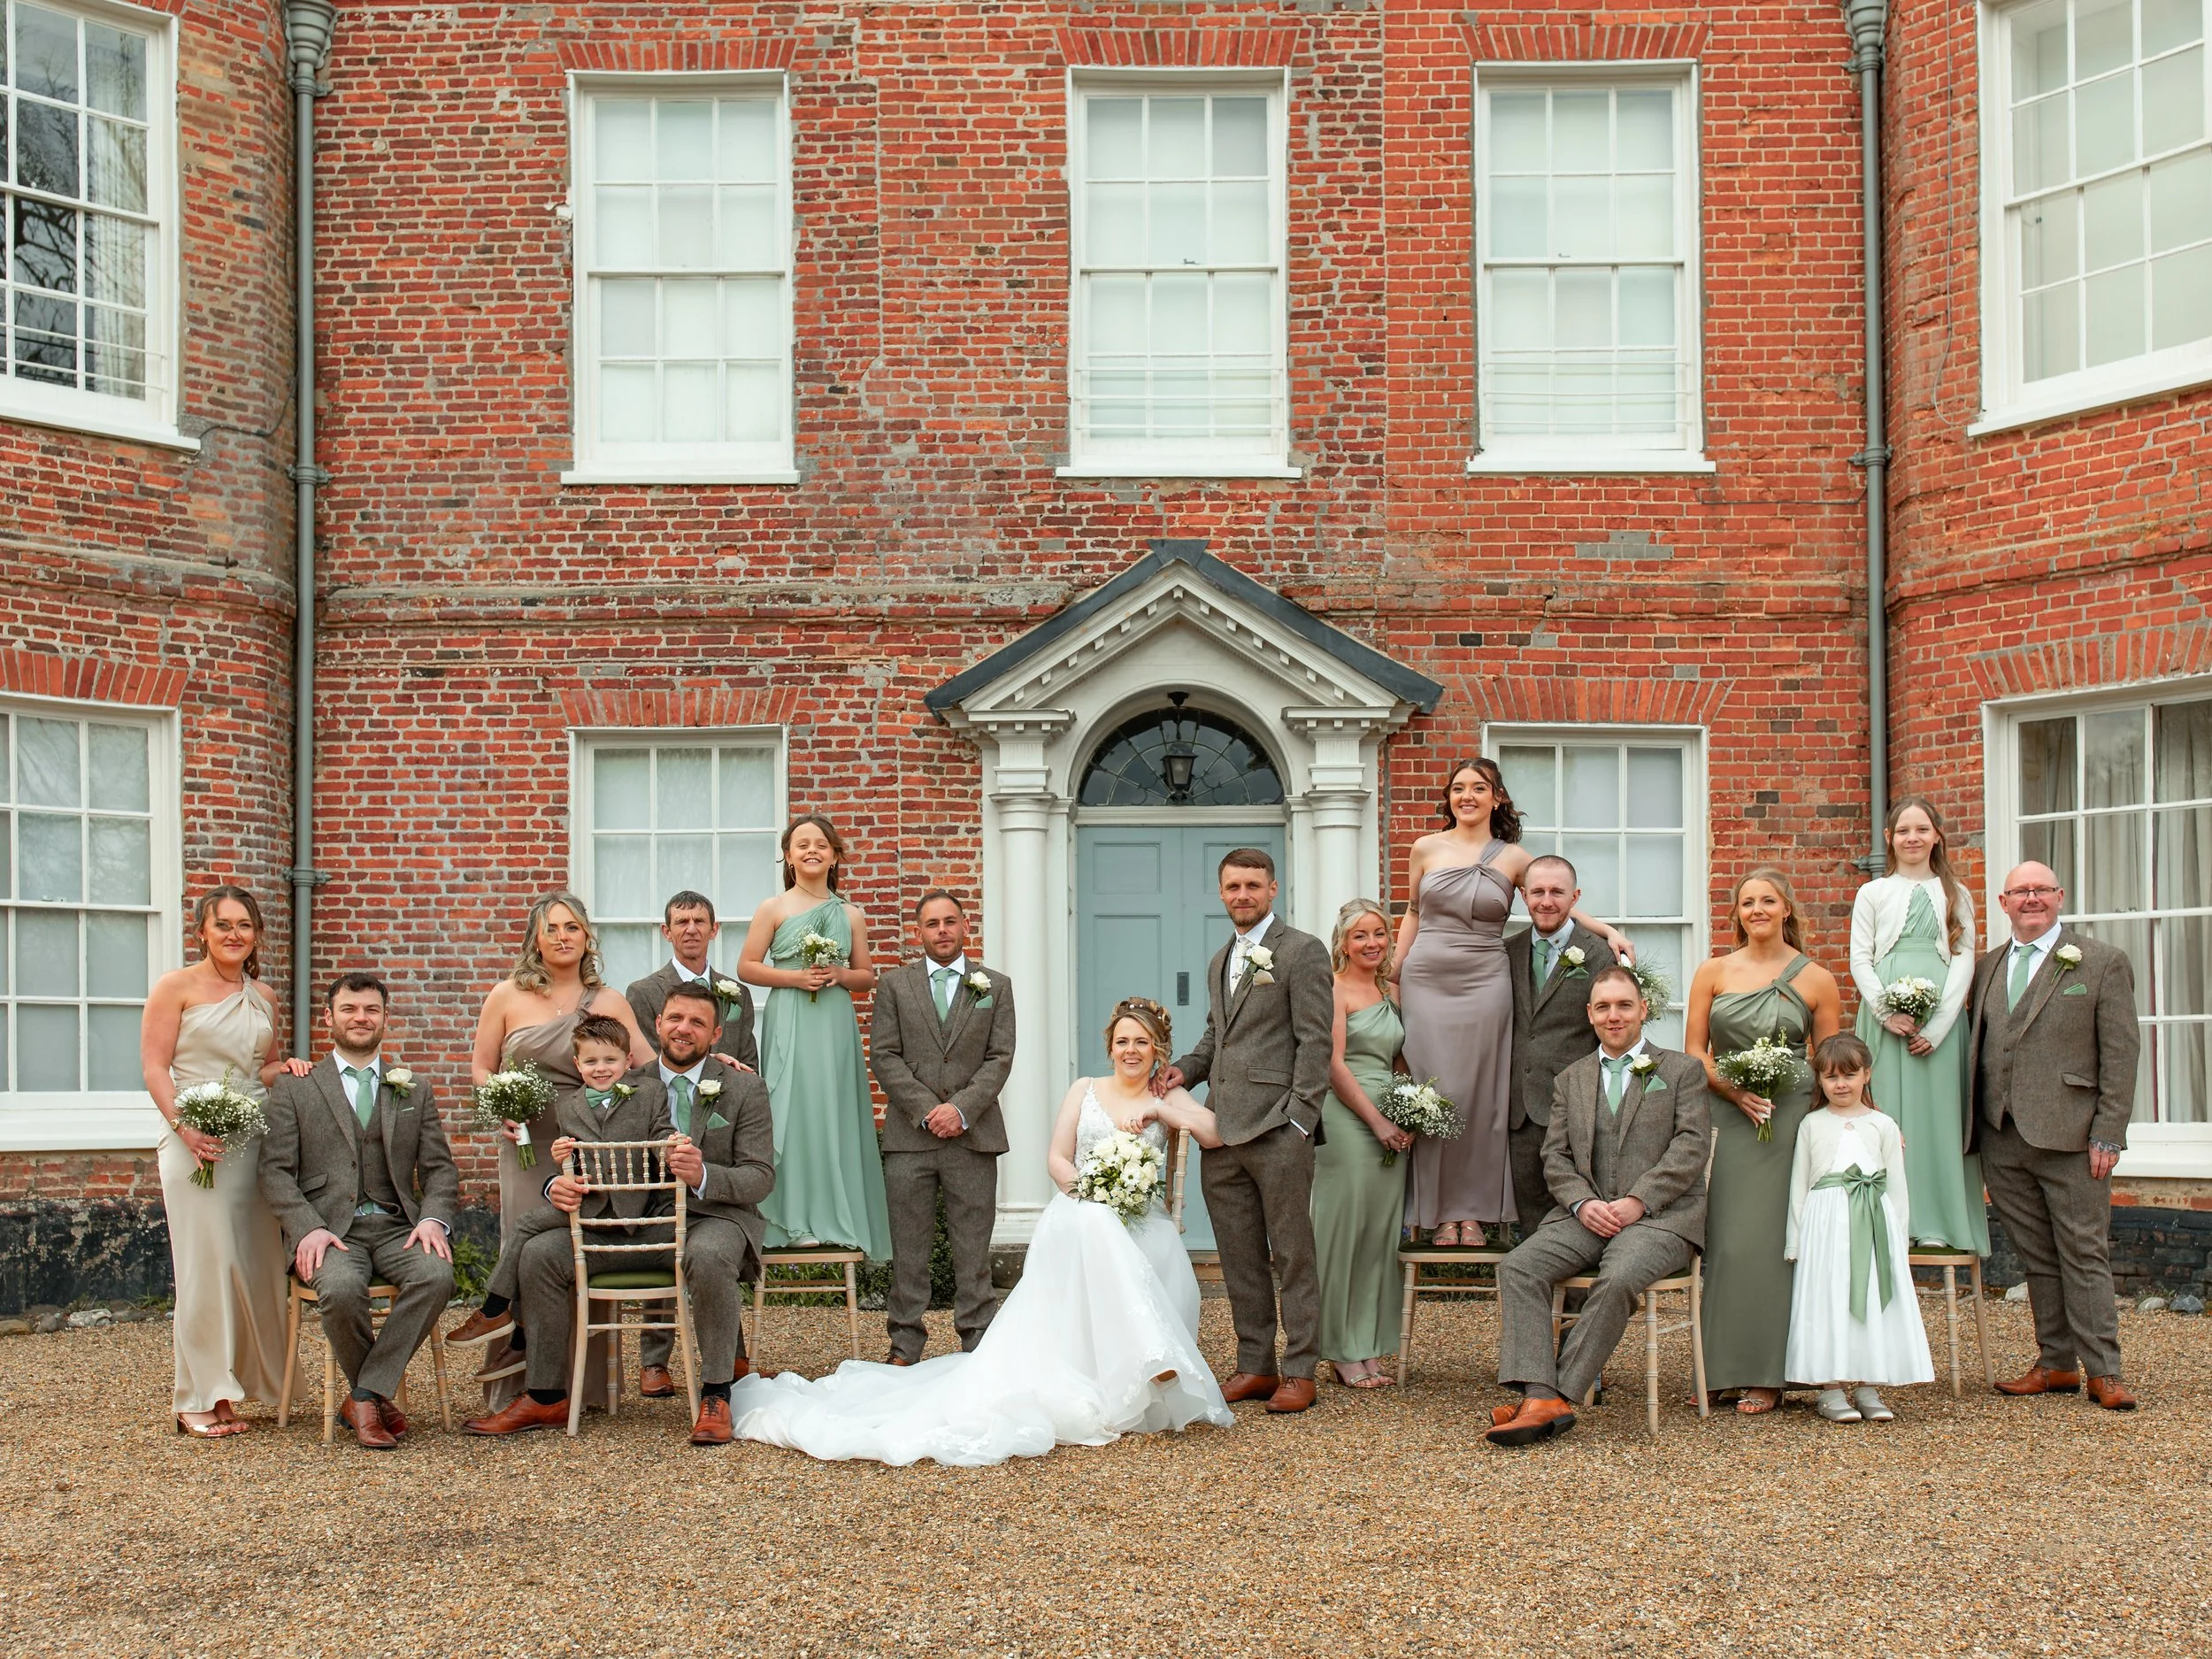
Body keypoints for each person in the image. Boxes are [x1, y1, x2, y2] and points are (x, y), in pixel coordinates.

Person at [728, 999, 1231, 1465]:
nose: (1131, 1051)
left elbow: (1212, 1133)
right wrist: (1090, 1189)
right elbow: (1057, 1159)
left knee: (1116, 1229)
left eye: (1141, 1042)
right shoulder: (1086, 1090)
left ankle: (1143, 1363)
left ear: (1158, 1049)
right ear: (1110, 1045)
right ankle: (1150, 1360)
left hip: (1141, 1219)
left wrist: (1164, 1111)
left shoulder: (1171, 1094)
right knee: (1096, 1222)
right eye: (1123, 1041)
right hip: (1081, 1210)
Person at [1397, 758, 1631, 1248]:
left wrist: (1606, 930)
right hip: (1428, 977)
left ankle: (1476, 1214)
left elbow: (1553, 898)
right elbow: (1413, 913)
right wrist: (1394, 975)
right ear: (1449, 798)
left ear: (1496, 797)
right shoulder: (1424, 848)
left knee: (1481, 1093)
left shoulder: (1514, 857)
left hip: (1485, 978)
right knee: (1436, 1092)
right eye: (1458, 788)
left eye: (1478, 788)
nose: (1467, 796)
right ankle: (1440, 1212)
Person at [1487, 965, 1712, 1447]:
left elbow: (1691, 1149)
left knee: (1616, 1279)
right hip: (1586, 1214)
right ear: (1590, 1014)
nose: (1615, 1016)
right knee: (1519, 1268)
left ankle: (1551, 1397)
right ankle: (1540, 1392)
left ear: (1642, 1009)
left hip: (1662, 1219)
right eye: (1604, 1007)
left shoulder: (1681, 1071)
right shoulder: (1572, 1078)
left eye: (1624, 1005)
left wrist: (1639, 1201)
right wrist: (1581, 1202)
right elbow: (1555, 1155)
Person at [454, 891, 649, 1398]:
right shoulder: (505, 996)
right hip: (526, 1138)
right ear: (534, 940)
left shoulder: (608, 1002)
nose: (562, 937)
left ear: (587, 938)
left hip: (588, 1139)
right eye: (552, 929)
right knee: (523, 1241)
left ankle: (579, 1387)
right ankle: (518, 1372)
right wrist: (498, 1101)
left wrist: (714, 1070)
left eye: (572, 928)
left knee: (574, 1247)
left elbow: (648, 1069)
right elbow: (481, 1066)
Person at [1158, 848, 1333, 1415]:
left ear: (1272, 889)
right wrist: (1186, 1068)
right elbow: (1217, 1036)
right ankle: (1255, 1364)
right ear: (1221, 892)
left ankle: (1301, 1368)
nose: (1242, 895)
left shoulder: (1302, 951)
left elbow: (1315, 1042)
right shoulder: (1219, 960)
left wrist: (1301, 1119)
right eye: (1232, 886)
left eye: (1252, 885)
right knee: (1238, 1255)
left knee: (1292, 1252)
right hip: (1222, 1129)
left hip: (1279, 1128)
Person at [257, 972, 457, 1449]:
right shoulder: (296, 1088)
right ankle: (372, 1399)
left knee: (437, 1276)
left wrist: (432, 1218)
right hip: (328, 1230)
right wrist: (305, 1228)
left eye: (371, 1009)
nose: (360, 1018)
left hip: (396, 1227)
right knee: (343, 1287)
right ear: (329, 1018)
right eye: (349, 1009)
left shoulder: (415, 1088)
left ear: (386, 1018)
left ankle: (364, 1395)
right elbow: (274, 1172)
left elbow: (440, 1170)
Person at [1968, 862, 2140, 1410]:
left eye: (2042, 889)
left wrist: (2108, 1134)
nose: (2032, 898)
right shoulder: (1985, 966)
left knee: (2083, 1253)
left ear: (2060, 896)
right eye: (2022, 891)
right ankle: (2057, 1363)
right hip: (2002, 1135)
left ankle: (2105, 1371)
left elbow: (2121, 1054)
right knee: (2036, 1256)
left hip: (2073, 1138)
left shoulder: (2102, 961)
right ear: (2004, 902)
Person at [462, 1016, 676, 1435]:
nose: (601, 1068)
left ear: (628, 1060)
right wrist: (563, 1159)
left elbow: (663, 1133)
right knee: (533, 1242)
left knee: (528, 1231)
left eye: (611, 1060)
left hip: (640, 1221)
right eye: (592, 1061)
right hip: (590, 1214)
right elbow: (573, 1165)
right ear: (578, 1065)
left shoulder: (650, 1093)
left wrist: (671, 1146)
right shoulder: (569, 1105)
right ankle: (545, 1396)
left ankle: (493, 1309)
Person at [1686, 866, 1841, 1415]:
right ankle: (1721, 1366)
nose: (1757, 910)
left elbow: (1831, 1064)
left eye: (1768, 900)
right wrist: (1735, 1092)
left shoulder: (1818, 979)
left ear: (1787, 910)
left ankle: (1770, 1373)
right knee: (1727, 1240)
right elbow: (1696, 1054)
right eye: (1747, 901)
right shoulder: (1713, 972)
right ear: (1737, 913)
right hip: (1728, 1116)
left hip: (1789, 1117)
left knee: (1777, 1242)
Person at [139, 885, 290, 1438]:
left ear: (256, 935)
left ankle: (234, 1390)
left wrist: (290, 1068)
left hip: (253, 1140)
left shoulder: (265, 995)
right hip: (192, 1138)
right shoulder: (174, 987)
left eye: (244, 925)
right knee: (204, 1266)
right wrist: (185, 1127)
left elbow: (262, 1067)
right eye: (222, 924)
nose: (233, 934)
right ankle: (197, 1395)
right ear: (201, 931)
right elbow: (155, 1067)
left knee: (250, 1266)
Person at [868, 889, 1017, 1365]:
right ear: (919, 932)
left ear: (964, 925)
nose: (943, 931)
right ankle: (905, 1343)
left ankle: (977, 1340)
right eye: (932, 924)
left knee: (972, 1247)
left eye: (950, 921)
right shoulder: (894, 985)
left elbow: (1000, 1057)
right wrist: (930, 1109)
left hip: (974, 1136)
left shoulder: (995, 985)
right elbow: (884, 1056)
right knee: (909, 1247)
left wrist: (962, 1110)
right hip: (910, 1139)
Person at [739, 815, 890, 1258]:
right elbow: (747, 966)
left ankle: (836, 1216)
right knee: (792, 1109)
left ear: (835, 855)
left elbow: (865, 976)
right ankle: (792, 1218)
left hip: (834, 1020)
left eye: (821, 844)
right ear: (788, 856)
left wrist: (840, 974)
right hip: (790, 1015)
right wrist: (794, 979)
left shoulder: (850, 914)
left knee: (832, 1108)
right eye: (802, 844)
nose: (812, 851)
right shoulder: (774, 908)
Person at [629, 981, 776, 1429]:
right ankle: (546, 1393)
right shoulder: (627, 1087)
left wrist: (703, 1175)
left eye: (697, 1022)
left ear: (715, 1036)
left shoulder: (743, 1088)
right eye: (675, 1018)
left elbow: (760, 1176)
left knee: (708, 1256)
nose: (683, 1029)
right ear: (657, 1024)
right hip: (644, 1217)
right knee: (545, 1253)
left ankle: (716, 1395)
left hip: (717, 1215)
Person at [1848, 796, 1986, 1252]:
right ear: (1889, 838)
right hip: (1886, 1019)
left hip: (1939, 1024)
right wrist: (1886, 1012)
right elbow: (1860, 959)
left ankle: (1939, 1222)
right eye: (1903, 830)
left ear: (1937, 835)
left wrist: (1940, 1025)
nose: (1913, 838)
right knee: (1886, 1113)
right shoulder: (1872, 893)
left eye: (1922, 829)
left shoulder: (1957, 894)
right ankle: (1888, 1220)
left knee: (1937, 1118)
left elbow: (1965, 960)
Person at [1784, 1033, 1934, 1425]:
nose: (1841, 1084)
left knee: (1869, 1298)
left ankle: (1868, 1384)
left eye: (1850, 1075)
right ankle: (1831, 1388)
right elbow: (1799, 1185)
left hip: (1873, 1223)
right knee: (1828, 1298)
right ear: (1819, 1080)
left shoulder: (1883, 1124)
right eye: (1831, 1077)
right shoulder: (1811, 1124)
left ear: (1867, 1075)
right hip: (1824, 1224)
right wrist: (1796, 1241)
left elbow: (1897, 1187)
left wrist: (1899, 1242)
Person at [1311, 898, 1411, 1389]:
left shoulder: (1391, 989)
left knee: (1379, 1237)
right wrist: (1376, 1122)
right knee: (1343, 1235)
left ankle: (1369, 1346)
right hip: (1349, 1122)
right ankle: (1339, 1348)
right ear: (1343, 944)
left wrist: (1414, 1108)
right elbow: (1333, 1066)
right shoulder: (1332, 989)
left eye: (1379, 934)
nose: (1371, 943)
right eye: (1360, 936)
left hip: (1391, 1121)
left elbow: (1396, 1058)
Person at [1502, 854, 1619, 1233]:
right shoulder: (1507, 951)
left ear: (1575, 897)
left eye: (1557, 892)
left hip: (1576, 1105)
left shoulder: (1601, 953)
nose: (1546, 900)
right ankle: (1540, 1292)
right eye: (1537, 891)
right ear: (1523, 895)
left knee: (1581, 1211)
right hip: (1519, 1107)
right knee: (1532, 1215)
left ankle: (1578, 1296)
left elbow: (1614, 1028)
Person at [626, 889, 758, 1071]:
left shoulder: (740, 994)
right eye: (681, 922)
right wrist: (710, 1062)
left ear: (713, 930)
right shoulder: (643, 992)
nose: (691, 929)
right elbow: (645, 1066)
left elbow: (750, 1068)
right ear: (667, 932)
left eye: (699, 921)